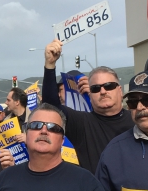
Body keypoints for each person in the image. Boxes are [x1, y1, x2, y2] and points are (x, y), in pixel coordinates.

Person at [41, 40, 134, 175]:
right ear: (90, 94)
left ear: (120, 90)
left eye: (109, 86)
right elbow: (51, 107)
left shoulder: (137, 120)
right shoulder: (82, 124)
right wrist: (50, 65)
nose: (103, 91)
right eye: (96, 88)